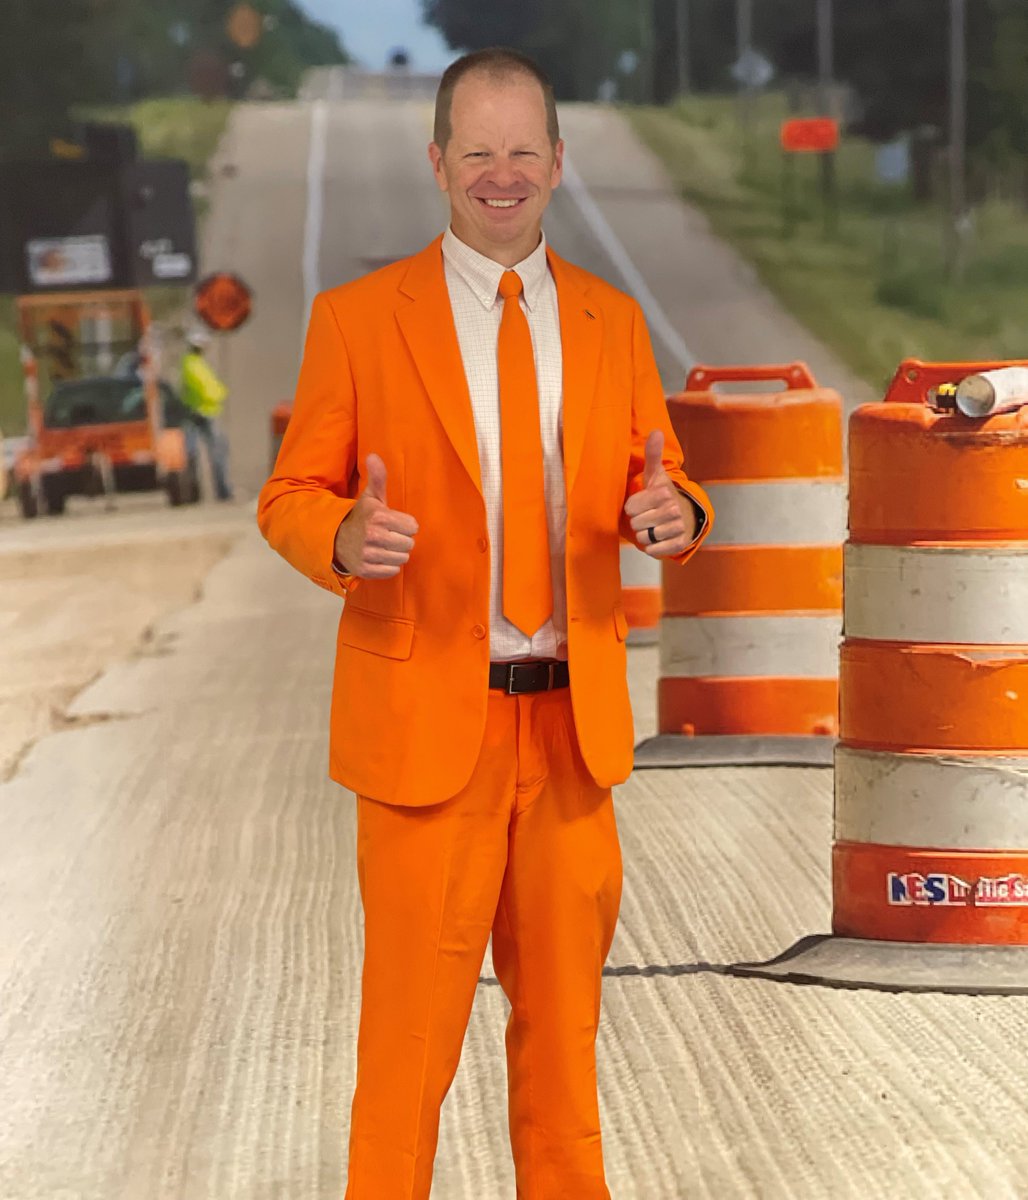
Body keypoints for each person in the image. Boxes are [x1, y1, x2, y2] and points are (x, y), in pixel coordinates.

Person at [257, 47, 713, 1199]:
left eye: (522, 152)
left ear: (556, 163)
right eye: (477, 153)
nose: (500, 174)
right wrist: (340, 542)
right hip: (425, 743)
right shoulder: (359, 319)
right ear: (437, 164)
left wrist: (675, 514)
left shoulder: (609, 322)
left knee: (562, 1046)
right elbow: (288, 495)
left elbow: (661, 478)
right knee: (409, 1050)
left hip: (570, 740)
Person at [179, 328, 233, 501]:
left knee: (199, 454)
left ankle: (204, 492)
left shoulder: (196, 363)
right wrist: (220, 394)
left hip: (201, 412)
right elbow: (206, 389)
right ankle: (218, 491)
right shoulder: (192, 364)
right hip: (203, 413)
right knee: (212, 453)